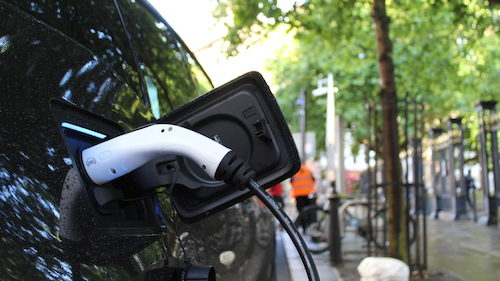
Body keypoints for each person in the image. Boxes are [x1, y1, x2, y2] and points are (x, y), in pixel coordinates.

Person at [290, 164, 315, 232]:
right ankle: (309, 226)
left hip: (298, 194)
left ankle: (304, 227)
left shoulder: (295, 171)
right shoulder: (307, 170)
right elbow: (313, 180)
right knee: (308, 211)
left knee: (301, 211)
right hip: (308, 194)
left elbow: (291, 182)